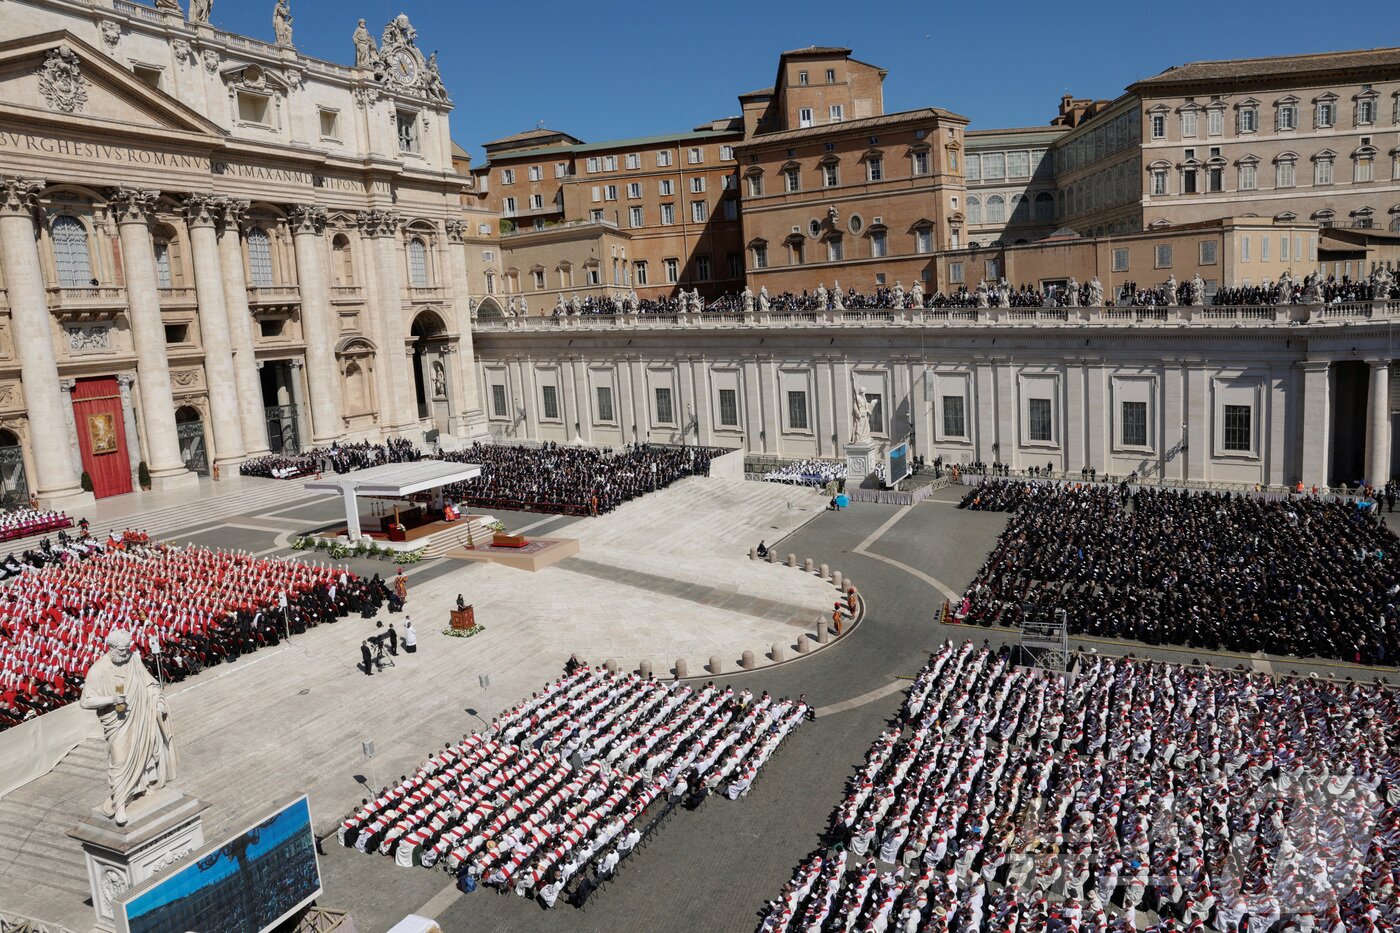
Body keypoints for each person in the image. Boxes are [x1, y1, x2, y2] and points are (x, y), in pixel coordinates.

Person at [78, 630, 176, 825]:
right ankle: (120, 804)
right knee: (120, 761)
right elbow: (85, 701)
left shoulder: (133, 659)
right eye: (122, 650)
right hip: (118, 722)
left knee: (145, 750)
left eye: (127, 650)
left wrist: (157, 701)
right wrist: (111, 699)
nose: (125, 654)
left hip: (140, 715)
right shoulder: (98, 670)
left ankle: (143, 785)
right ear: (112, 648)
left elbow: (149, 683)